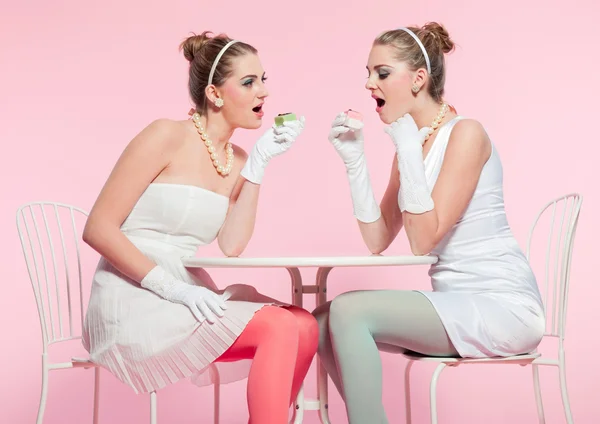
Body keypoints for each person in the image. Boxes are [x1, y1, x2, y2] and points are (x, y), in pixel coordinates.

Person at [313, 22, 545, 423]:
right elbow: (378, 237)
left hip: (501, 305)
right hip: (455, 302)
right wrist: (355, 163)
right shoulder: (412, 143)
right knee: (321, 321)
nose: (370, 84)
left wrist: (407, 149)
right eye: (368, 73)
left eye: (382, 73)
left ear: (419, 79)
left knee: (348, 312)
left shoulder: (467, 134)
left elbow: (421, 240)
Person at [82, 31, 318, 423]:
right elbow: (98, 228)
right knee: (278, 326)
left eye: (263, 79)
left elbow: (232, 245)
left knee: (305, 324)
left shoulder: (237, 159)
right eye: (249, 82)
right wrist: (170, 288)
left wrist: (258, 164)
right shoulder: (165, 135)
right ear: (215, 94)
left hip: (189, 291)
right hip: (134, 295)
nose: (264, 92)